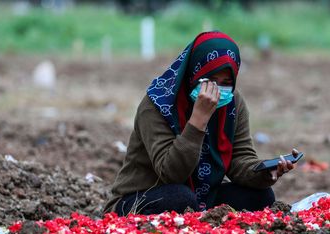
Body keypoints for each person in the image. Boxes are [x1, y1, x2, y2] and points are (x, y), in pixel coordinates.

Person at [103, 31, 296, 216]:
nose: (216, 91)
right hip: (140, 198)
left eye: (226, 81)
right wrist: (198, 120)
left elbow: (239, 160)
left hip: (202, 198)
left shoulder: (233, 103)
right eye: (210, 80)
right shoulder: (157, 105)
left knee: (261, 196)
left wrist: (265, 171)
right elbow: (171, 173)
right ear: (193, 74)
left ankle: (202, 222)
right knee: (181, 198)